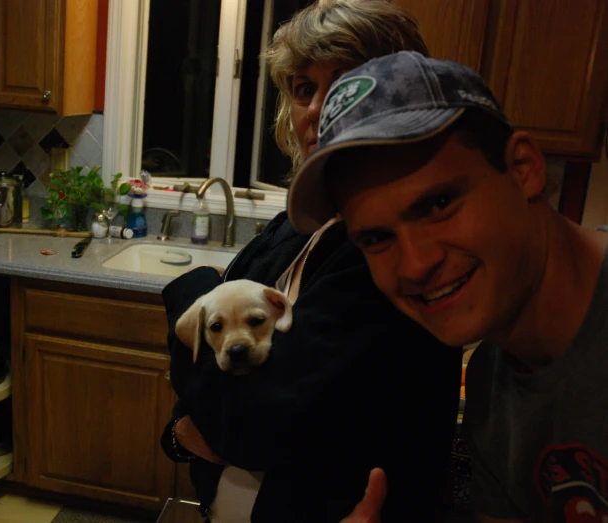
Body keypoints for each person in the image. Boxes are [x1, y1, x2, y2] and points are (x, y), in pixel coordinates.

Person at [160, 2, 462, 522]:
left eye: (348, 85)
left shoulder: (385, 250)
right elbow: (216, 374)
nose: (319, 109)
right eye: (304, 89)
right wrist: (181, 431)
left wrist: (188, 294)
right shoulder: (294, 226)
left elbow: (253, 425)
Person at [288, 50, 608, 523]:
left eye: (439, 203)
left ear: (524, 168)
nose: (415, 265)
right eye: (377, 238)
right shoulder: (491, 387)